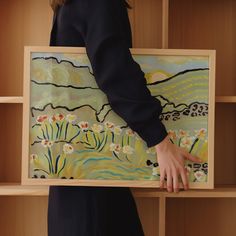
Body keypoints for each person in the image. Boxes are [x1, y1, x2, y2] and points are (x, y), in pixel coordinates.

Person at [47, 0, 203, 235]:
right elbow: (116, 73)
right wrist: (161, 142)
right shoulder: (98, 3)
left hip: (82, 170)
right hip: (94, 180)